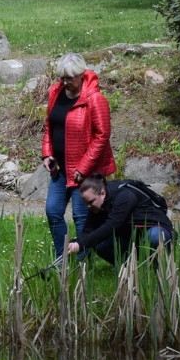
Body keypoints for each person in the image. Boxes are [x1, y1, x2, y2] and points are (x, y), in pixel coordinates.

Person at [41, 53, 116, 258]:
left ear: (81, 75)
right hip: (60, 169)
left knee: (81, 217)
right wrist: (47, 153)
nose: (65, 82)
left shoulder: (95, 99)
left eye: (69, 78)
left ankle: (84, 263)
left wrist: (83, 168)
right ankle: (62, 259)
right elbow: (49, 125)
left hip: (85, 172)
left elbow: (102, 136)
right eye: (62, 78)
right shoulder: (55, 92)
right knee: (53, 212)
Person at [65, 174, 175, 264]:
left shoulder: (124, 196)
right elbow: (88, 231)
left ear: (102, 193)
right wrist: (76, 243)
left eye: (90, 202)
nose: (88, 206)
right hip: (131, 234)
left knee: (155, 238)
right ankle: (129, 271)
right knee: (99, 244)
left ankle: (157, 268)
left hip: (156, 229)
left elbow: (111, 225)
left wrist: (81, 244)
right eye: (86, 203)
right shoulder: (96, 205)